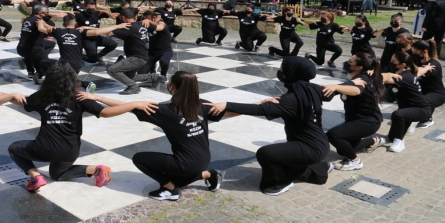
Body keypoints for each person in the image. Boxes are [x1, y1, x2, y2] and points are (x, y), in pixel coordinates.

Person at [7, 60, 157, 191]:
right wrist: (133, 105)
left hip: (43, 148)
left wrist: (11, 95)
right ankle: (97, 170)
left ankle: (36, 176)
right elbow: (105, 112)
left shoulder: (40, 97)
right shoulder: (80, 97)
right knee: (57, 175)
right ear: (73, 78)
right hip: (70, 151)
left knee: (14, 148)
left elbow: (21, 102)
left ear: (49, 79)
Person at [81, 71, 228, 200]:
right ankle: (208, 174)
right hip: (205, 159)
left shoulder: (166, 111)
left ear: (171, 87)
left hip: (187, 164)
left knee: (140, 159)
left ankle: (170, 190)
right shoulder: (202, 105)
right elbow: (224, 112)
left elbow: (125, 106)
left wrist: (98, 98)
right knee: (179, 174)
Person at [204, 57, 333, 196]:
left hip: (310, 149)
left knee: (266, 154)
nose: (280, 70)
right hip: (321, 143)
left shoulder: (290, 100)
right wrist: (345, 85)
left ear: (292, 72)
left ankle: (279, 184)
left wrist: (227, 105)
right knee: (284, 157)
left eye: (282, 68)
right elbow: (332, 93)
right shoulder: (313, 89)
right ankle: (320, 169)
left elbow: (257, 110)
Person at [321, 53, 384, 171]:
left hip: (367, 122)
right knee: (342, 149)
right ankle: (374, 141)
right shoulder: (364, 75)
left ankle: (355, 161)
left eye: (350, 62)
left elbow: (356, 91)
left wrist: (335, 87)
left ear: (358, 67)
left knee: (333, 135)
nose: (346, 62)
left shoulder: (362, 80)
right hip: (358, 120)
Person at [36, 13, 129, 87]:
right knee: (67, 79)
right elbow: (97, 32)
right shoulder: (80, 32)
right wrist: (117, 26)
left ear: (64, 24)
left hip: (63, 66)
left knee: (43, 62)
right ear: (75, 23)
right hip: (77, 66)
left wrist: (40, 20)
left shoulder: (58, 32)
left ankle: (43, 76)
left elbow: (41, 28)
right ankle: (81, 83)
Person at [364, 52, 431, 153]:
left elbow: (386, 78)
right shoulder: (410, 71)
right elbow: (420, 71)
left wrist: (373, 74)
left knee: (397, 115)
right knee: (391, 136)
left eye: (393, 62)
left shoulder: (404, 77)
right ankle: (396, 137)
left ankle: (400, 141)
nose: (390, 63)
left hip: (421, 110)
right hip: (408, 108)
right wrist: (427, 68)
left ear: (402, 65)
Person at [107, 8, 164, 95]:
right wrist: (149, 21)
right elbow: (162, 26)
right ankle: (154, 77)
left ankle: (133, 87)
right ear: (135, 16)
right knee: (128, 77)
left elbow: (108, 32)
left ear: (123, 17)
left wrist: (87, 28)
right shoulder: (142, 24)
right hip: (143, 56)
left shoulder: (128, 28)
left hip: (136, 58)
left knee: (112, 70)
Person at [17, 4, 68, 82]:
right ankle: (39, 74)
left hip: (21, 48)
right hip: (34, 49)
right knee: (46, 63)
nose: (47, 14)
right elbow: (45, 29)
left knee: (50, 44)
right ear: (41, 13)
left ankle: (31, 69)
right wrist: (60, 32)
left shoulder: (26, 19)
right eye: (46, 12)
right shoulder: (39, 21)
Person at [410, 40, 445, 130]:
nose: (414, 54)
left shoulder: (434, 64)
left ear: (425, 51)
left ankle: (428, 119)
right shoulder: (417, 60)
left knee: (424, 100)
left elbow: (417, 72)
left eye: (416, 52)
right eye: (413, 52)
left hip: (437, 94)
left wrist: (424, 68)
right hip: (423, 91)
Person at [134, 11, 172, 85]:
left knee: (164, 61)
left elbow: (161, 26)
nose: (145, 21)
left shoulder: (161, 23)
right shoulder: (149, 25)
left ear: (154, 18)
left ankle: (163, 75)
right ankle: (153, 68)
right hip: (152, 52)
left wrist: (148, 21)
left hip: (165, 51)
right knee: (140, 74)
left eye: (147, 19)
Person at [76, 0, 118, 64]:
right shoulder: (79, 15)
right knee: (92, 60)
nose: (91, 10)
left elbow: (114, 16)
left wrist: (104, 11)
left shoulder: (97, 13)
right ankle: (75, 55)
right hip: (87, 39)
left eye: (93, 8)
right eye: (89, 8)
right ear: (85, 7)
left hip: (97, 37)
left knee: (113, 44)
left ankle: (99, 56)